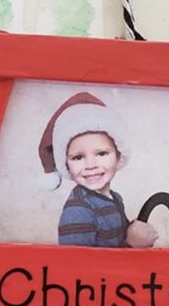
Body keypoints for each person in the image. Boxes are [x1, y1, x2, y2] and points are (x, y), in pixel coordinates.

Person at [37, 92, 158, 248]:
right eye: (78, 157)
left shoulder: (114, 198)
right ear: (65, 163)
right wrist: (132, 244)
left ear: (118, 155)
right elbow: (79, 267)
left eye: (101, 153)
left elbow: (114, 242)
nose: (91, 165)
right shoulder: (78, 211)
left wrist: (132, 230)